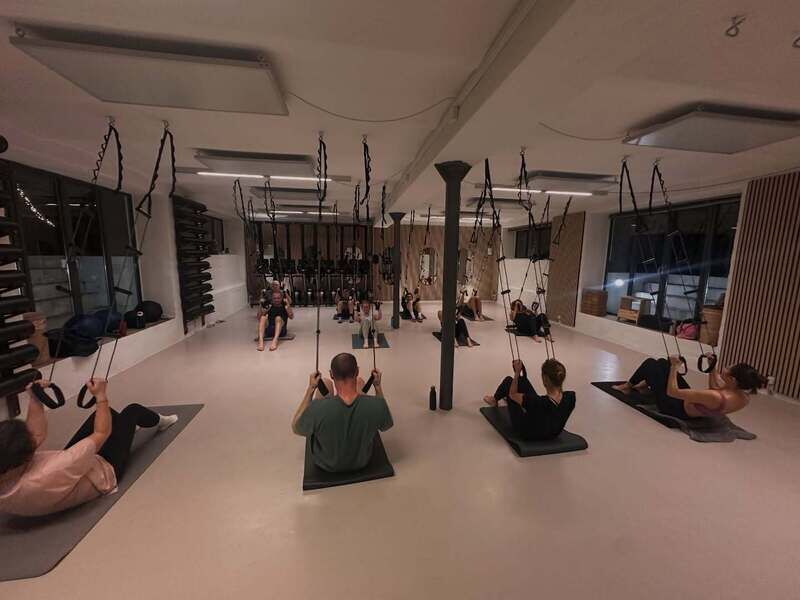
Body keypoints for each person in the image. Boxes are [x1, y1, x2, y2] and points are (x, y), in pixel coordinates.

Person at [0, 379, 178, 517]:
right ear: (25, 456)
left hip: (56, 479)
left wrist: (34, 398)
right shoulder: (56, 468)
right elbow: (101, 433)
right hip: (103, 473)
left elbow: (35, 435)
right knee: (131, 411)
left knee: (106, 416)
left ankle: (124, 430)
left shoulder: (8, 464)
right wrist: (100, 395)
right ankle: (162, 421)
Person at [292, 353, 393, 473]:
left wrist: (311, 389)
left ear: (331, 374)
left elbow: (296, 428)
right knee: (360, 382)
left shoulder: (316, 407)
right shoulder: (376, 405)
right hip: (361, 462)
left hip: (326, 464)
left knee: (325, 383)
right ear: (357, 371)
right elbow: (386, 425)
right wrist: (377, 386)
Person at [612, 355, 765, 419]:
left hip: (674, 407)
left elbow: (672, 392)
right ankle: (646, 384)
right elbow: (716, 387)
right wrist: (713, 367)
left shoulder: (714, 397)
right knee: (663, 363)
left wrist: (675, 367)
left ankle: (627, 386)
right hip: (693, 407)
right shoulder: (742, 396)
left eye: (728, 368)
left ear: (732, 380)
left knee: (651, 363)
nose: (725, 368)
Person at [483, 359, 575, 441]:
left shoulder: (538, 402)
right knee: (523, 382)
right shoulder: (570, 397)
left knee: (509, 382)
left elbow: (512, 394)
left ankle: (494, 400)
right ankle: (502, 397)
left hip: (526, 432)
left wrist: (517, 373)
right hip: (553, 434)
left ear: (545, 379)